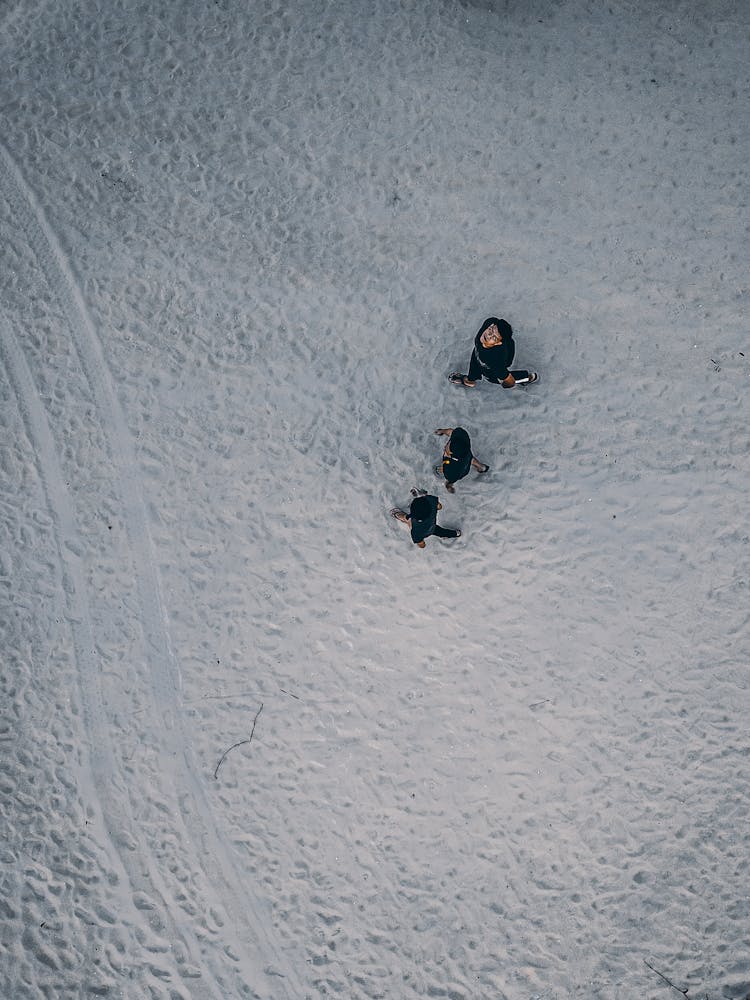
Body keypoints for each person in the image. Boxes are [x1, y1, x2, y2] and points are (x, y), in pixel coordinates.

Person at [449, 316, 538, 389]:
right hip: (479, 352)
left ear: (498, 343)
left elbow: (509, 382)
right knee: (476, 359)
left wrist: (505, 382)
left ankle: (527, 377)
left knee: (493, 377)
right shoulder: (489, 322)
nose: (488, 335)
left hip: (495, 364)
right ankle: (470, 380)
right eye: (491, 330)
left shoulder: (495, 360)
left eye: (494, 338)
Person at [390, 489, 461, 548]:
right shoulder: (431, 502)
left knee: (407, 519)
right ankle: (456, 533)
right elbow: (439, 506)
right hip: (432, 525)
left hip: (424, 530)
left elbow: (422, 545)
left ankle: (397, 514)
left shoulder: (416, 533)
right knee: (440, 531)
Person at [434, 426, 489, 493]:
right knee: (470, 458)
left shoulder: (450, 473)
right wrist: (442, 431)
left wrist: (445, 467)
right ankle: (482, 467)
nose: (445, 446)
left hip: (461, 471)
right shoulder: (462, 437)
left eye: (447, 447)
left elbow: (452, 476)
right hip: (466, 455)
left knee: (450, 478)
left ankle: (449, 486)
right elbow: (451, 432)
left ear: (450, 454)